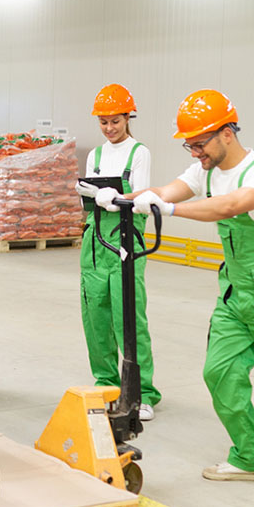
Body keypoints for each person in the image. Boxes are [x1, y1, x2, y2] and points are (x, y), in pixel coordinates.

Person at [123, 89, 254, 486]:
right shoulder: (205, 171)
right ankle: (251, 457)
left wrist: (170, 209)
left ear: (227, 134)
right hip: (236, 295)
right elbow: (165, 192)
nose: (195, 152)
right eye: (189, 145)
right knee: (219, 373)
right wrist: (122, 198)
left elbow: (231, 205)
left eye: (200, 143)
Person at [75, 84, 161, 420]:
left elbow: (142, 199)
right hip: (95, 241)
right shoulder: (95, 155)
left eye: (115, 121)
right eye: (103, 122)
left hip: (126, 240)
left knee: (129, 317)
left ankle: (142, 392)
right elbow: (89, 197)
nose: (109, 128)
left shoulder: (139, 152)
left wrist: (115, 199)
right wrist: (87, 192)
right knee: (95, 317)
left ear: (128, 118)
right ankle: (106, 383)